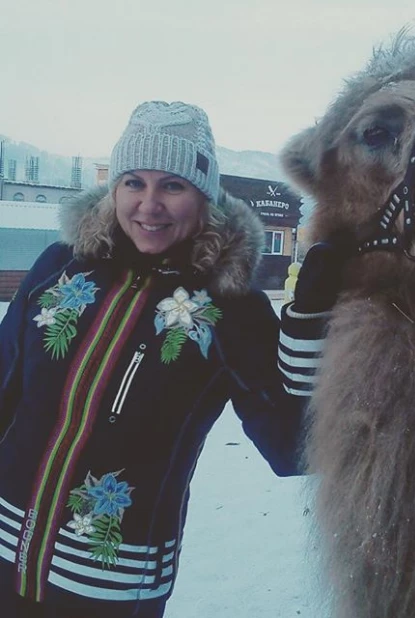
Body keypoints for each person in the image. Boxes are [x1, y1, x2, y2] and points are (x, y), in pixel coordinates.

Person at [0, 101, 343, 618]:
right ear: (113, 188)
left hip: (107, 583)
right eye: (134, 182)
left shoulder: (232, 306)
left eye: (173, 186)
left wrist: (310, 329)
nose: (149, 204)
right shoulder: (59, 269)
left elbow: (291, 447)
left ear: (203, 197)